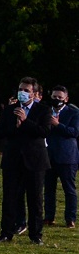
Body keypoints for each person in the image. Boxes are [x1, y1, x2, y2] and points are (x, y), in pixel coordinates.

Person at [0, 76, 51, 243]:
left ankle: (35, 235)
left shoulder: (43, 110)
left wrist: (25, 122)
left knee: (35, 199)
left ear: (34, 93)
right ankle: (6, 232)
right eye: (20, 89)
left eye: (26, 90)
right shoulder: (9, 109)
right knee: (10, 197)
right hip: (13, 159)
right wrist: (15, 126)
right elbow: (0, 133)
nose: (22, 93)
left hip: (35, 160)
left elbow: (44, 131)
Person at [44, 85, 78, 229]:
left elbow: (74, 132)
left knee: (69, 189)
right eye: (54, 97)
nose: (57, 99)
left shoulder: (74, 113)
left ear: (66, 99)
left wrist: (58, 125)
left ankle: (70, 218)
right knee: (49, 189)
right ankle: (49, 217)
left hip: (67, 157)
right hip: (48, 156)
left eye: (60, 97)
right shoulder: (46, 111)